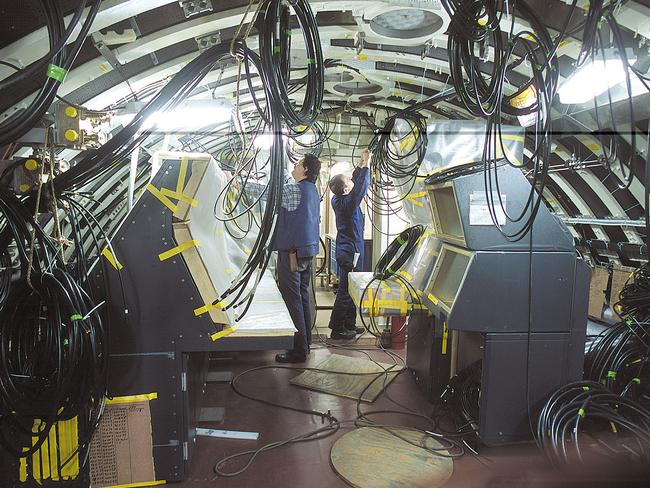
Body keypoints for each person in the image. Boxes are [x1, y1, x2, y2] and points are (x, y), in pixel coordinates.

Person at [242, 154, 322, 363]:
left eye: (297, 164)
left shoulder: (294, 191)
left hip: (292, 253)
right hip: (308, 251)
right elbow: (285, 182)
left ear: (305, 170)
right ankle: (305, 345)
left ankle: (297, 351)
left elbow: (264, 192)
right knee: (303, 297)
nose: (294, 166)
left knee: (293, 298)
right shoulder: (312, 190)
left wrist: (235, 180)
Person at [327, 148, 371, 340]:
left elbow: (354, 182)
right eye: (348, 182)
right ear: (346, 190)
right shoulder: (347, 203)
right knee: (345, 291)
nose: (351, 181)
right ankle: (337, 328)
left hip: (351, 249)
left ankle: (350, 325)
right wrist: (367, 165)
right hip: (351, 252)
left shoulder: (340, 197)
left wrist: (362, 163)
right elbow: (360, 188)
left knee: (353, 289)